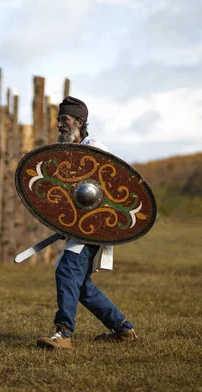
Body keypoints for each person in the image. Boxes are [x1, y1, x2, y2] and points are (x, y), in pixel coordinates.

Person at [37, 96, 138, 350]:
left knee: (67, 271)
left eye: (65, 119)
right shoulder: (69, 151)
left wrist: (86, 224)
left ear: (79, 122)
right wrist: (67, 223)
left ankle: (64, 334)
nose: (60, 124)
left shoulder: (95, 149)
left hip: (94, 227)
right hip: (80, 228)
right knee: (81, 286)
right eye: (59, 119)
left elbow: (113, 187)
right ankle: (123, 330)